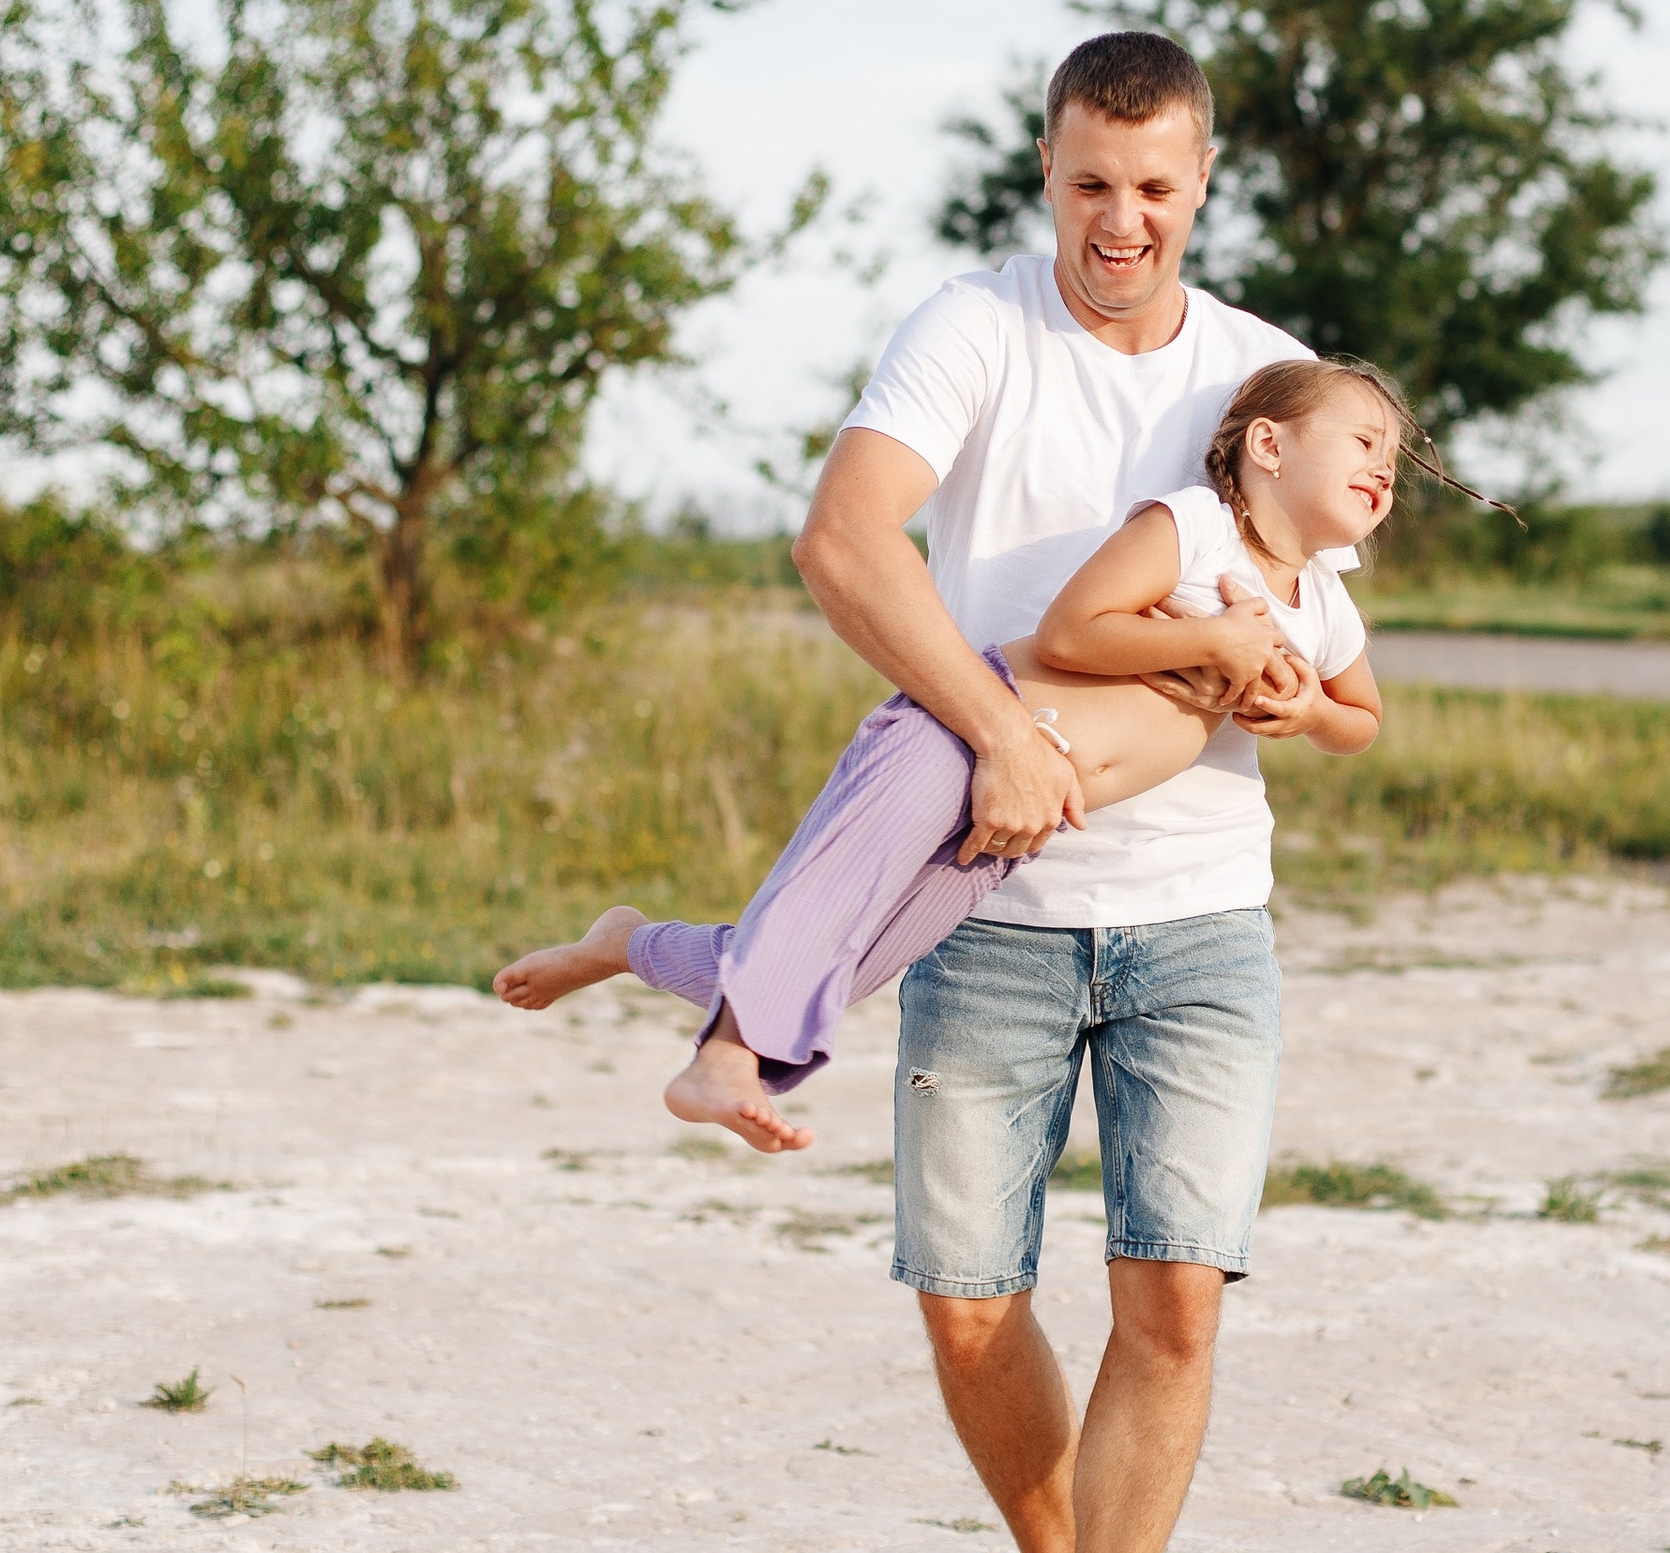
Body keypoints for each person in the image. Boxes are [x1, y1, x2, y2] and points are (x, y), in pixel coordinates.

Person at [511, 30, 1357, 1553]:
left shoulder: (1268, 374)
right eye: (1086, 185)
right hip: (991, 896)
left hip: (1199, 910)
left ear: (1201, 184)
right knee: (972, 1306)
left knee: (1176, 1302)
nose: (1118, 221)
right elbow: (845, 542)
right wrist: (998, 737)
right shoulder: (973, 328)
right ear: (1044, 173)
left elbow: (1332, 650)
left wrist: (1280, 693)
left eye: (1153, 188)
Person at [493, 349, 1393, 1129]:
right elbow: (1077, 630)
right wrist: (1211, 639)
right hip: (964, 732)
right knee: (815, 913)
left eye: (1393, 461)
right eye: (1366, 444)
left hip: (1025, 821)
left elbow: (1362, 720)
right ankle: (725, 1062)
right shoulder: (1192, 527)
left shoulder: (1325, 606)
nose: (1385, 470)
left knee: (843, 967)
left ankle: (624, 944)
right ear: (1268, 445)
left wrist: (1309, 714)